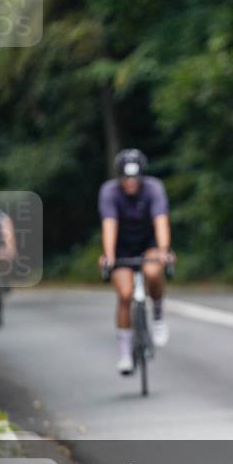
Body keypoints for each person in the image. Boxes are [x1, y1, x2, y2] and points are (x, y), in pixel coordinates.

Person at [98, 149, 173, 375]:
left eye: (134, 178)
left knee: (153, 272)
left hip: (148, 243)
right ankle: (124, 354)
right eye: (126, 178)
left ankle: (157, 314)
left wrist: (163, 250)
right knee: (124, 294)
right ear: (119, 177)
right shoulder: (109, 191)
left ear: (142, 176)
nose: (130, 182)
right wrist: (109, 255)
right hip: (121, 246)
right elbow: (109, 224)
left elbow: (160, 220)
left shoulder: (154, 188)